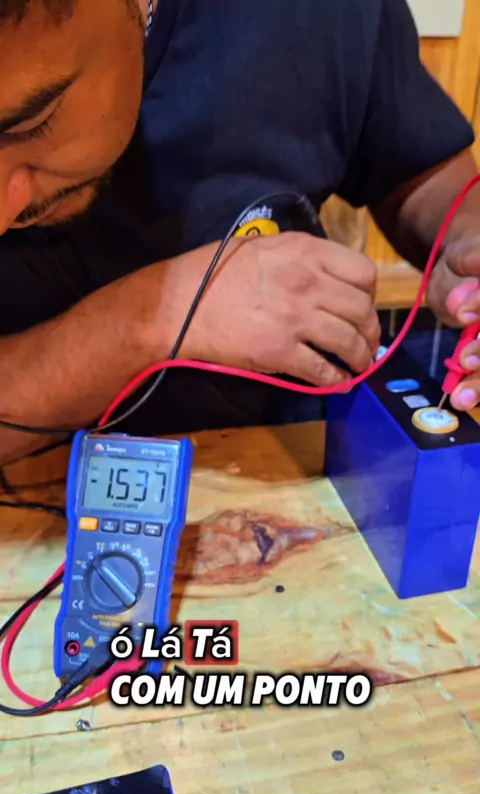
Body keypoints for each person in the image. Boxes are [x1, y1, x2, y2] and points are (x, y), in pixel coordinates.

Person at [0, 0, 479, 466]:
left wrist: (465, 243)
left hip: (299, 480)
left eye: (34, 122)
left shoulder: (321, 13)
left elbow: (424, 175)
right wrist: (155, 317)